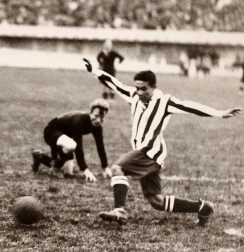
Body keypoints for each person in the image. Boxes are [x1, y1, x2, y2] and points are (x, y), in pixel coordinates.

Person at [83, 58, 241, 226]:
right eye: (137, 88)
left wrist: (219, 113)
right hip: (146, 153)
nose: (139, 92)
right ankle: (203, 207)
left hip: (150, 152)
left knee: (117, 168)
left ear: (153, 87)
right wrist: (94, 70)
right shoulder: (133, 96)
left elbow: (190, 107)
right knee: (156, 201)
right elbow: (113, 83)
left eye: (144, 89)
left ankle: (120, 210)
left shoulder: (164, 102)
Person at [31, 98, 113, 182]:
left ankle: (39, 157)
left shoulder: (97, 127)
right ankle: (55, 166)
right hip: (51, 132)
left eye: (102, 117)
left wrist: (105, 167)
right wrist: (85, 170)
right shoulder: (79, 121)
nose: (98, 120)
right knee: (72, 145)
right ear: (90, 113)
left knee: (68, 172)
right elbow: (78, 147)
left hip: (64, 138)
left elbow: (100, 146)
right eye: (95, 116)